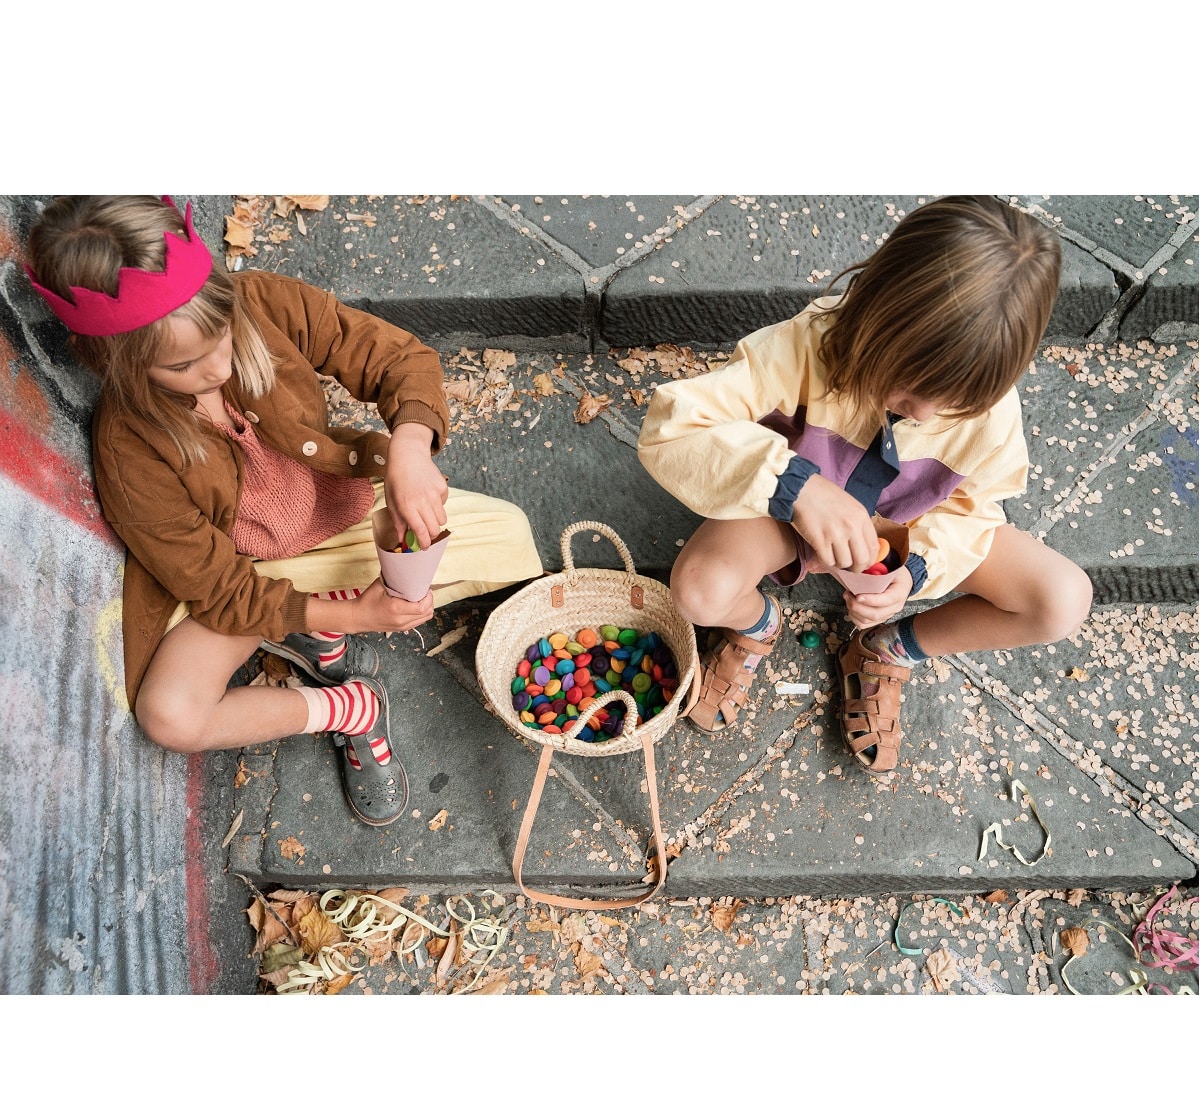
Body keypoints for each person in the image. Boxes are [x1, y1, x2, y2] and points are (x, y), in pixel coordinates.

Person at [24, 195, 543, 825]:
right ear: (116, 362)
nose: (218, 368)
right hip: (247, 573)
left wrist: (410, 448)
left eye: (221, 335)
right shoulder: (128, 448)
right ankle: (349, 706)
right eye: (183, 364)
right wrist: (357, 616)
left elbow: (397, 358)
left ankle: (323, 622)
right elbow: (220, 590)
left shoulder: (261, 302)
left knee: (511, 535)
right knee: (171, 715)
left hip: (341, 509)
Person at [637, 195, 1092, 773]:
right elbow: (673, 425)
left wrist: (916, 569)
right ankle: (755, 624)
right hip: (784, 520)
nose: (924, 414)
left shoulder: (990, 409)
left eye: (954, 401)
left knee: (1062, 600)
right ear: (875, 315)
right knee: (699, 590)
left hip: (906, 530)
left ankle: (888, 648)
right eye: (908, 385)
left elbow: (976, 510)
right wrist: (795, 487)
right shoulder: (803, 346)